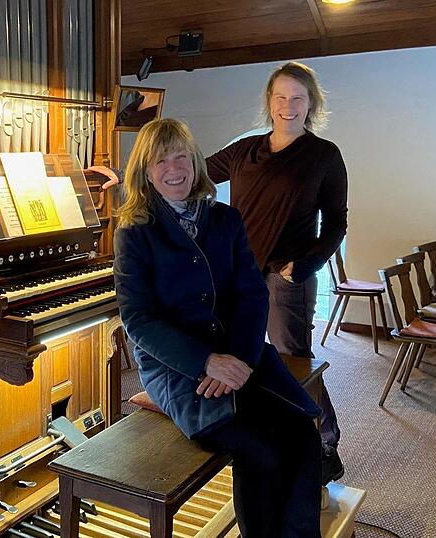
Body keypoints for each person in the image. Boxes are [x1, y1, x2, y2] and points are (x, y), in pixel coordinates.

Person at [95, 61, 348, 483]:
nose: (288, 106)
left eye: (297, 98)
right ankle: (185, 400)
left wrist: (302, 265)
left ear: (310, 104)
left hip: (283, 279)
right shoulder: (247, 149)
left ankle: (324, 439)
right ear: (269, 102)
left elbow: (336, 223)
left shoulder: (324, 155)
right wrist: (123, 176)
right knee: (240, 375)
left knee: (293, 367)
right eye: (280, 97)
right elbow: (185, 171)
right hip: (233, 274)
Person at [114, 118, 322, 537]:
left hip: (240, 353)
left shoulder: (225, 219)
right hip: (177, 368)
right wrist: (206, 362)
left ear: (195, 162)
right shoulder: (134, 232)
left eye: (181, 157)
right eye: (160, 161)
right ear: (145, 172)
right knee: (262, 451)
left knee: (302, 435)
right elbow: (138, 320)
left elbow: (251, 294)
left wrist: (240, 359)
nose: (173, 168)